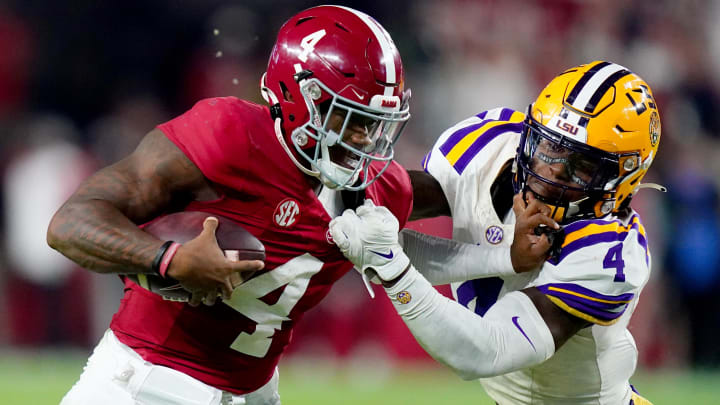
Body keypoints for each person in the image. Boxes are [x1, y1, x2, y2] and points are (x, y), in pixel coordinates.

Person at [47, 6, 416, 405]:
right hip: (147, 384)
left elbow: (449, 198)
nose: (363, 141)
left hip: (254, 394)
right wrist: (168, 259)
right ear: (301, 97)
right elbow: (70, 222)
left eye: (374, 122)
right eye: (349, 118)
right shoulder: (229, 138)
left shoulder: (380, 187)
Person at [329, 61, 661, 404]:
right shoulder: (491, 144)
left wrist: (391, 268)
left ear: (623, 180)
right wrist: (343, 185)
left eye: (583, 167)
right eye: (551, 147)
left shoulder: (611, 252)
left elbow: (485, 351)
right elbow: (396, 206)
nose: (552, 171)